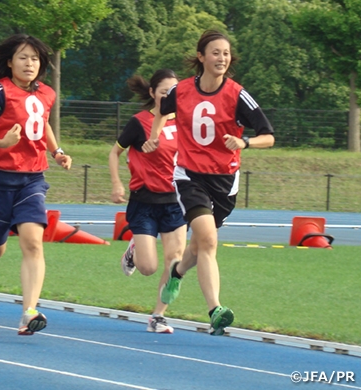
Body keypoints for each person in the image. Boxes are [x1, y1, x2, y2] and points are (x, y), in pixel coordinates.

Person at [143, 30, 275, 336]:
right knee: (208, 240)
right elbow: (162, 110)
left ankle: (177, 272)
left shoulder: (237, 95)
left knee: (197, 245)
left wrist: (245, 143)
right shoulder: (183, 90)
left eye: (226, 53)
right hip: (190, 175)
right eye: (215, 53)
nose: (222, 58)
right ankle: (215, 310)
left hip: (225, 181)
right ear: (201, 57)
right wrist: (154, 136)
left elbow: (269, 135)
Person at [0, 34, 72, 335]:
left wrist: (56, 151)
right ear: (10, 62)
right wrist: (2, 141)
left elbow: (44, 122)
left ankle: (28, 312)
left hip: (32, 178)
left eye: (34, 58)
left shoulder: (47, 93)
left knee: (33, 242)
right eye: (23, 57)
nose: (29, 63)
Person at [108, 70, 187, 334]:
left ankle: (158, 316)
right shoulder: (139, 123)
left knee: (175, 261)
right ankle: (134, 251)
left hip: (176, 201)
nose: (170, 97)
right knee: (148, 268)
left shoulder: (186, 122)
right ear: (153, 93)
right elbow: (114, 152)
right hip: (144, 201)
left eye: (174, 92)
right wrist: (117, 183)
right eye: (165, 92)